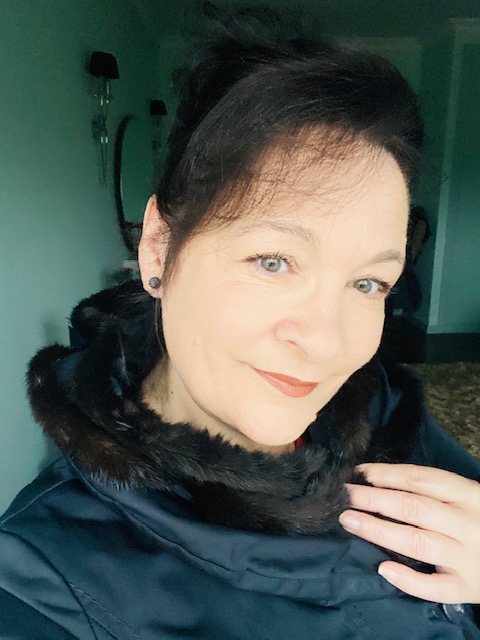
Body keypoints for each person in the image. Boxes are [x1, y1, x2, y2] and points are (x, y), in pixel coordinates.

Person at [1, 8, 479, 639]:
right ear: (159, 250)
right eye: (273, 261)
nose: (327, 343)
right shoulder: (42, 586)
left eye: (368, 283)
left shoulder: (381, 409)